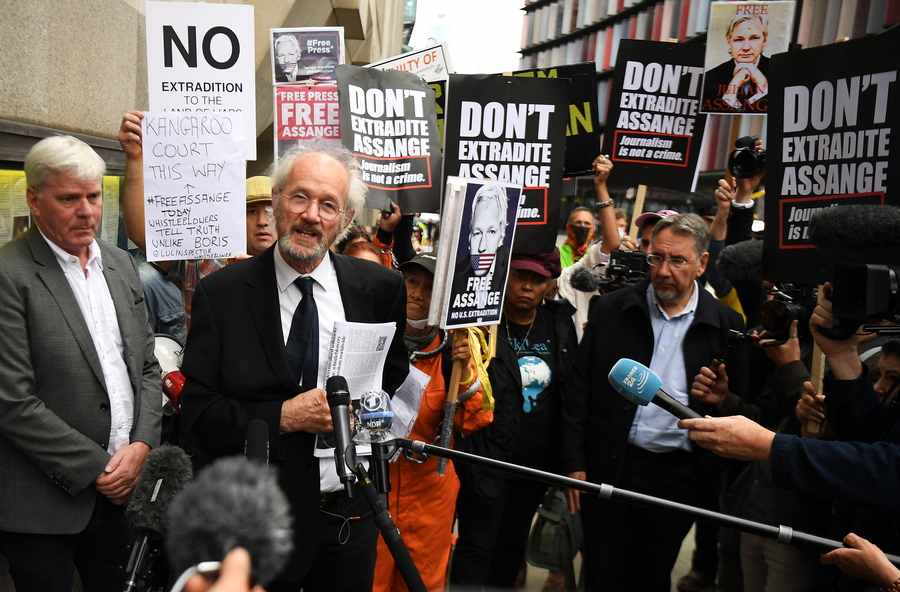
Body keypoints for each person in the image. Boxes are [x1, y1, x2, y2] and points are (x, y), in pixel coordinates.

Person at [178, 141, 409, 592]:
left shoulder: (380, 289)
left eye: (328, 205)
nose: (311, 215)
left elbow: (390, 381)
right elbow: (198, 415)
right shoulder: (222, 294)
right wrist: (283, 417)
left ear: (345, 219)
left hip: (349, 518)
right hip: (256, 525)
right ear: (276, 201)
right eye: (300, 197)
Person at [0, 136, 162, 592]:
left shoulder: (120, 264)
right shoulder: (9, 274)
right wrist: (101, 468)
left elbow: (147, 368)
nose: (87, 211)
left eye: (93, 196)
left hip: (124, 498)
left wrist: (142, 444)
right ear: (34, 199)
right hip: (42, 507)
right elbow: (12, 401)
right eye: (69, 199)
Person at [561, 213, 748, 591]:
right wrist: (574, 462)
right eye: (656, 257)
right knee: (602, 574)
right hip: (609, 468)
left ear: (702, 264)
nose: (663, 270)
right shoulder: (611, 308)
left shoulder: (726, 325)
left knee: (650, 577)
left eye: (677, 260)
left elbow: (745, 409)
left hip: (678, 478)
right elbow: (578, 388)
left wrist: (721, 404)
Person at [450, 251, 578, 590]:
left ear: (550, 284)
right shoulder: (482, 323)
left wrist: (570, 459)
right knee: (477, 543)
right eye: (520, 276)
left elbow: (570, 392)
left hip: (535, 462)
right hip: (485, 457)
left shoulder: (559, 323)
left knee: (510, 543)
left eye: (538, 280)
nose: (527, 286)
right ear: (505, 278)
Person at [373, 252, 492, 592]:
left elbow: (477, 419)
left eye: (429, 287)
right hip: (374, 491)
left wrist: (465, 370)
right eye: (412, 282)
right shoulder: (376, 339)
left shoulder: (455, 350)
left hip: (429, 498)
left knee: (421, 583)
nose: (417, 294)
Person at [118, 111, 278, 330]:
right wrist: (135, 157)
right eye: (251, 211)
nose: (262, 221)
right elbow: (140, 233)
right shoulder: (205, 262)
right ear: (235, 217)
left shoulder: (295, 269)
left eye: (270, 211)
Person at [450, 182, 512, 307]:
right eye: (477, 233)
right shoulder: (454, 271)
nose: (481, 247)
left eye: (491, 232)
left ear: (501, 236)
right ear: (469, 237)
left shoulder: (512, 268)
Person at [703, 13, 770, 112]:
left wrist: (763, 86)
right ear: (728, 43)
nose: (746, 47)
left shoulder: (779, 71)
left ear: (764, 40)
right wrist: (731, 92)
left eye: (754, 38)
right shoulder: (710, 77)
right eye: (739, 40)